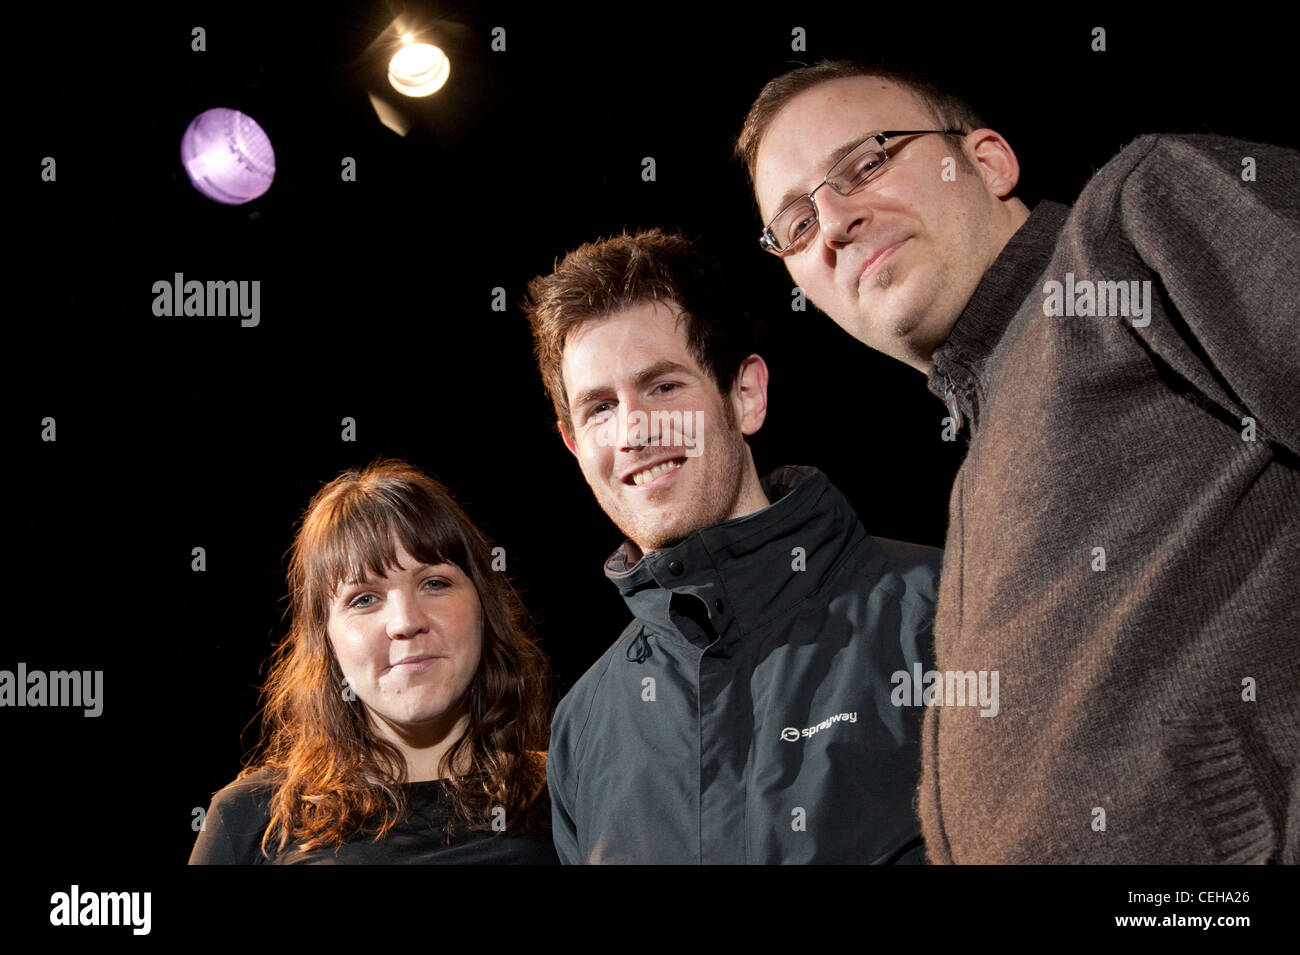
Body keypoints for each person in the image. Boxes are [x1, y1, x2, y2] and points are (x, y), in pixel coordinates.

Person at [738, 60, 1300, 863]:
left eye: (866, 161)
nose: (833, 222)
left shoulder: (1133, 222)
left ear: (990, 160)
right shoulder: (976, 470)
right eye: (794, 223)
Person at [523, 228, 941, 863]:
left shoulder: (939, 611)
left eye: (663, 386)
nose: (635, 430)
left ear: (745, 395)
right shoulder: (583, 731)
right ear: (576, 447)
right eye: (600, 408)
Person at [189, 459, 558, 864]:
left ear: (484, 608)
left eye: (434, 583)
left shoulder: (566, 794)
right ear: (325, 639)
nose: (406, 622)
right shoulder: (244, 821)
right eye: (364, 598)